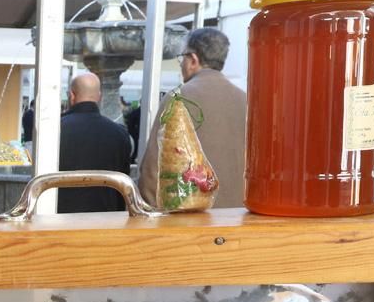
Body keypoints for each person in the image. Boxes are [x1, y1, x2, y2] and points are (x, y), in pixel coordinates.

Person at [138, 27, 247, 208]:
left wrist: (149, 212)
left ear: (193, 60)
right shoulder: (246, 100)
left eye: (182, 58)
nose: (181, 65)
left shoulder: (178, 98)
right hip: (239, 216)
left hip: (192, 217)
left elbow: (153, 168)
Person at [57, 72, 133, 213]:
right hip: (106, 218)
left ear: (72, 96)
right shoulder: (119, 133)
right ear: (99, 97)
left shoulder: (56, 130)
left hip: (61, 217)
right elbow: (124, 183)